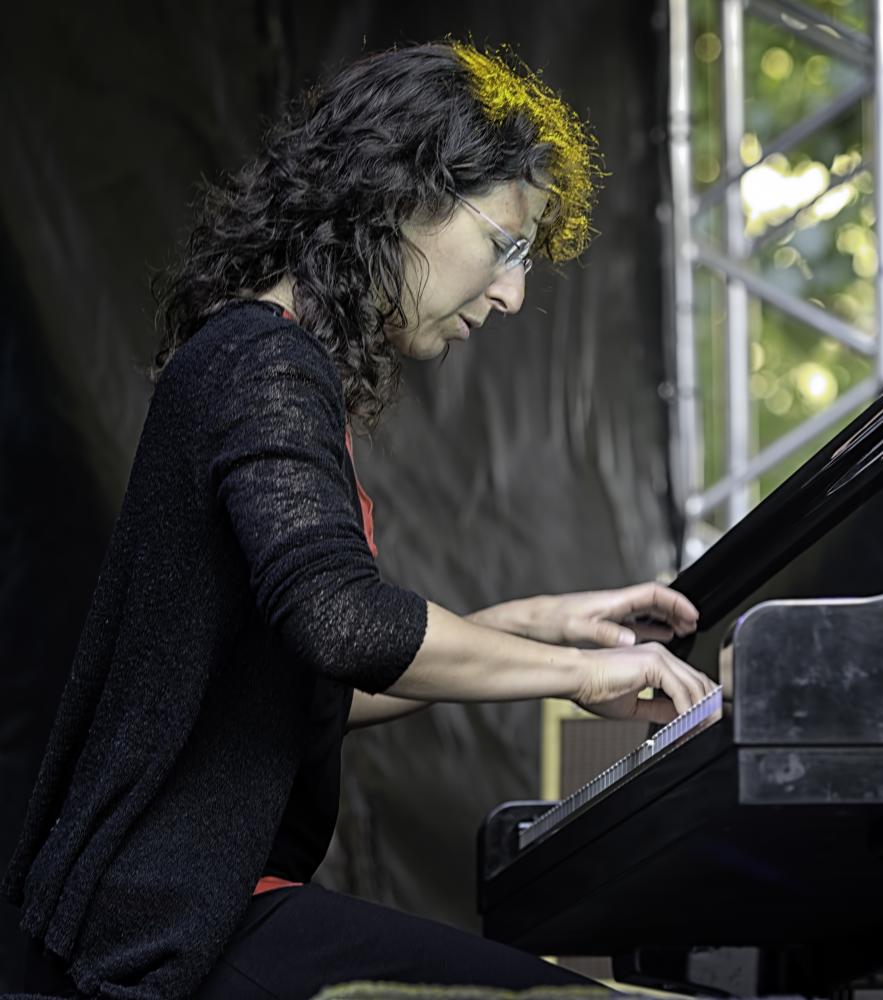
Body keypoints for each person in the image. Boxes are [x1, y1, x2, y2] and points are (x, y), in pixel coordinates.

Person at [5, 40, 714, 1000]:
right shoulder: (264, 360)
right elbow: (344, 625)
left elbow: (312, 681)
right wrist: (589, 671)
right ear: (400, 192)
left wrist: (532, 623)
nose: (512, 293)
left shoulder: (264, 360)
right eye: (506, 244)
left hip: (178, 907)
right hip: (167, 921)